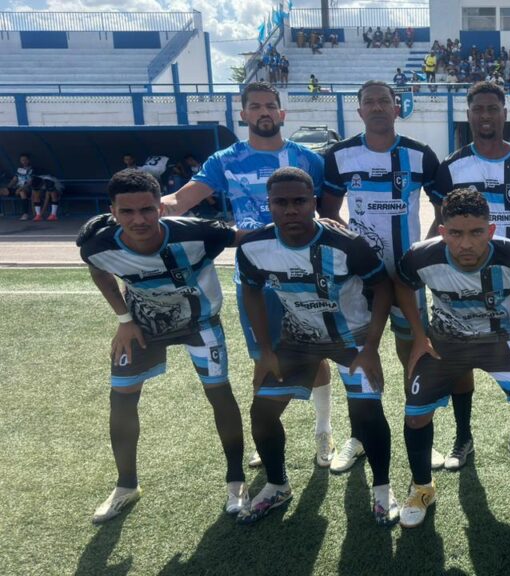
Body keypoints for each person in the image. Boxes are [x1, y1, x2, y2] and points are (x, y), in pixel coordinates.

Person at [160, 81, 339, 469]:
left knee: (316, 353)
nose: (264, 112)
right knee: (264, 354)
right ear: (243, 115)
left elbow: (328, 212)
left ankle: (323, 430)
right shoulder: (225, 159)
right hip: (254, 275)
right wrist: (155, 205)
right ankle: (266, 432)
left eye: (270, 105)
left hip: (305, 272)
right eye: (255, 106)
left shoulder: (308, 159)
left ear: (281, 113)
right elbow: (182, 199)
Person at [78, 169, 247, 523]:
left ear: (161, 207)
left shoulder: (197, 233)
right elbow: (98, 269)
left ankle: (236, 480)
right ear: (112, 211)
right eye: (127, 212)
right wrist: (124, 320)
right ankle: (126, 486)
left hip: (200, 323)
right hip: (144, 327)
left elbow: (244, 237)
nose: (138, 220)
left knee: (220, 394)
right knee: (121, 398)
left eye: (147, 210)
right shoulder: (98, 245)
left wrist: (312, 226)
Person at [235, 167, 397, 525]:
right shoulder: (253, 246)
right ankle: (277, 485)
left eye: (299, 201)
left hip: (352, 340)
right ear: (269, 205)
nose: (291, 209)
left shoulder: (348, 244)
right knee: (262, 413)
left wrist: (372, 347)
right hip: (299, 340)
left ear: (313, 203)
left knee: (369, 413)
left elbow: (383, 287)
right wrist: (265, 349)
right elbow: (251, 291)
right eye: (281, 202)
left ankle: (383, 489)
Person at [394, 187, 510, 528]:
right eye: (455, 234)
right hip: (445, 344)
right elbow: (402, 284)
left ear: (491, 230)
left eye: (476, 232)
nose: (466, 243)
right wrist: (419, 335)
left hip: (503, 342)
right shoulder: (421, 256)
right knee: (415, 416)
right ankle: (422, 487)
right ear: (442, 232)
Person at [427, 81, 510, 471]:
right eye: (478, 109)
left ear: (504, 114)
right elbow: (441, 223)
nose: (485, 115)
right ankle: (463, 437)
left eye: (492, 108)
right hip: (462, 281)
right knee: (461, 359)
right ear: (468, 115)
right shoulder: (451, 167)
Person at [322, 80, 445, 473]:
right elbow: (328, 213)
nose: (377, 107)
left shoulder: (420, 154)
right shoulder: (339, 155)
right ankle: (358, 436)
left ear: (397, 107)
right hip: (359, 281)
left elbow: (444, 208)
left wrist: (423, 251)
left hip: (407, 279)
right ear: (359, 110)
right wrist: (354, 251)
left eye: (384, 101)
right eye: (369, 102)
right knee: (357, 357)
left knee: (415, 352)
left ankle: (422, 434)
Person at [1, 153, 35, 220]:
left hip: (26, 189)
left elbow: (30, 182)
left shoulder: (32, 170)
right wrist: (7, 187)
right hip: (17, 188)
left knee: (22, 192)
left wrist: (20, 188)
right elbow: (14, 180)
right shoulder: (19, 170)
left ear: (28, 160)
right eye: (22, 160)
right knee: (1, 191)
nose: (24, 161)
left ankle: (25, 214)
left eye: (25, 160)